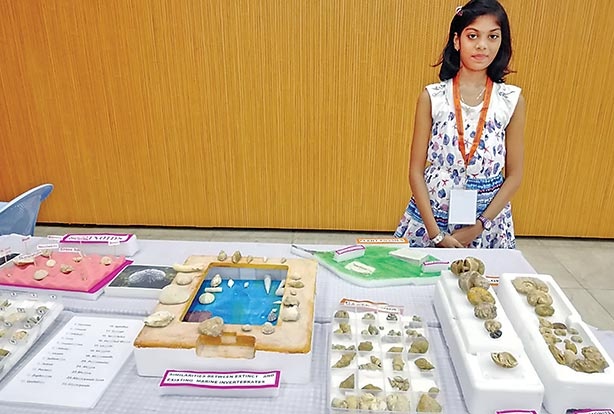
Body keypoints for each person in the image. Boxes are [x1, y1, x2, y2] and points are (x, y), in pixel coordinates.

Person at [394, 0, 525, 248]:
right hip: (432, 218)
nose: (482, 45)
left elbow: (515, 175)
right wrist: (436, 234)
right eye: (473, 35)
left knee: (478, 284)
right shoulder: (432, 97)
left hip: (487, 223)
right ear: (457, 41)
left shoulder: (511, 100)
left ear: (502, 42)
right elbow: (415, 171)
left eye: (493, 36)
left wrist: (479, 226)